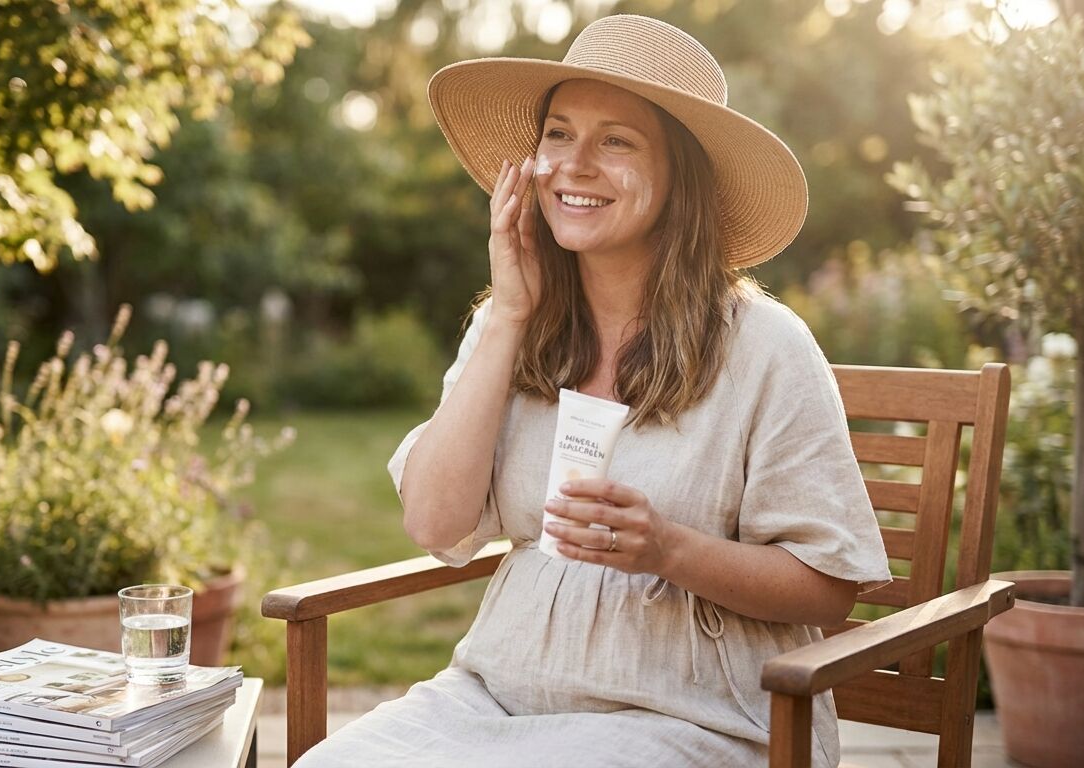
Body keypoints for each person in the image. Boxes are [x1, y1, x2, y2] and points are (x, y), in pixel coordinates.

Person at [294, 15, 890, 768]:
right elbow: (435, 521)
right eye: (558, 134)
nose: (575, 165)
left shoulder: (765, 348)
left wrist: (668, 549)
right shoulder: (511, 322)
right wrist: (510, 313)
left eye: (617, 141)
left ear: (681, 175)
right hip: (495, 696)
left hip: (694, 715)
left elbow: (828, 589)